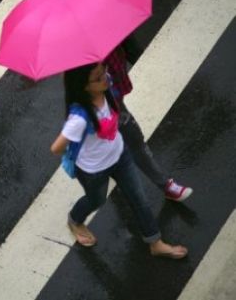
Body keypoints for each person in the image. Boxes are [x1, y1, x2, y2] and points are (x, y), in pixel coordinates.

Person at [50, 63, 187, 258]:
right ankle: (75, 220)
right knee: (96, 199)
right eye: (98, 78)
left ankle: (155, 242)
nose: (105, 77)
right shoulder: (79, 118)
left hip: (120, 156)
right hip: (93, 170)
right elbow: (56, 148)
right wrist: (77, 135)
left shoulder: (106, 89)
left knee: (139, 198)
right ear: (84, 86)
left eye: (103, 71)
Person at [105, 43, 193, 201]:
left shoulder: (101, 28)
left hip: (113, 91)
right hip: (102, 103)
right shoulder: (75, 57)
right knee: (135, 141)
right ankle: (165, 186)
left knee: (128, 141)